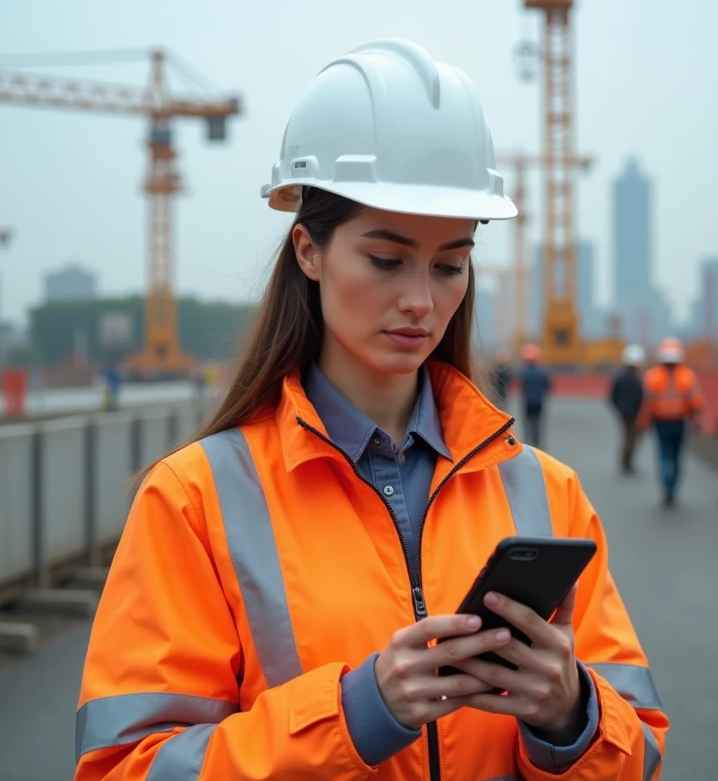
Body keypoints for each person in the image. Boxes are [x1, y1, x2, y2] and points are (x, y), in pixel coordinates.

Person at [73, 39, 666, 781]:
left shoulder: (550, 494)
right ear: (308, 251)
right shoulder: (193, 500)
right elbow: (127, 767)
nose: (422, 301)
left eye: (450, 264)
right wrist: (354, 715)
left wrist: (571, 715)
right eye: (386, 260)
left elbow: (638, 751)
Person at [638, 337, 702, 508]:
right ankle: (672, 487)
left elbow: (647, 404)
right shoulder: (687, 376)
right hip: (680, 421)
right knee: (676, 456)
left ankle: (666, 487)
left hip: (661, 423)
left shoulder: (653, 376)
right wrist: (696, 419)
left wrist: (643, 422)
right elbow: (696, 402)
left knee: (664, 456)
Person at [609, 343, 646, 474]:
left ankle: (626, 461)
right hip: (634, 414)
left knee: (627, 437)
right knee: (631, 438)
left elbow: (612, 397)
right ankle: (627, 463)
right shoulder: (637, 380)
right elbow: (642, 397)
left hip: (624, 413)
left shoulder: (619, 378)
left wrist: (619, 410)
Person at [518, 342, 552, 448]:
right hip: (539, 402)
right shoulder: (542, 372)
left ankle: (527, 445)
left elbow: (522, 387)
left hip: (528, 402)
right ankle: (537, 445)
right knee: (537, 424)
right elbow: (547, 387)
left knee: (527, 423)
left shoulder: (524, 373)